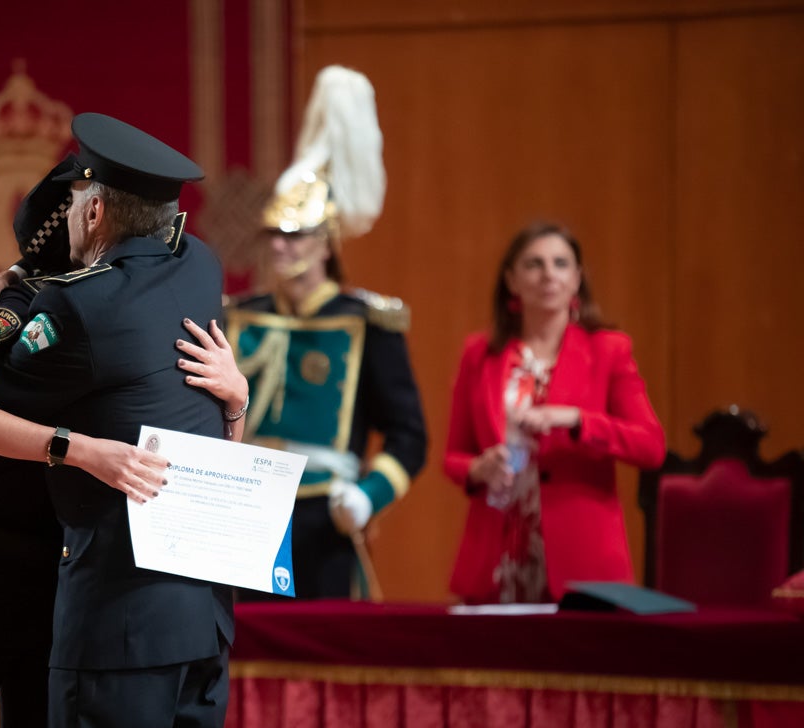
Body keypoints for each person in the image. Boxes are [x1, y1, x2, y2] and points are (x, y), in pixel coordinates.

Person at [0, 155, 247, 728]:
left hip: (65, 580)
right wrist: (72, 444)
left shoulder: (136, 290)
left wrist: (236, 397)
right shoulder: (23, 304)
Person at [226, 66, 428, 599]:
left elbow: (409, 436)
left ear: (326, 241)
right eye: (274, 235)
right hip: (241, 508)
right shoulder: (236, 314)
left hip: (323, 516)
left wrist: (368, 496)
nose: (278, 248)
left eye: (294, 236)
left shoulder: (367, 322)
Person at [443, 221, 666, 604]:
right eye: (534, 264)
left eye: (561, 263)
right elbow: (453, 456)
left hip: (581, 557)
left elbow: (651, 446)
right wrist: (477, 468)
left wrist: (578, 421)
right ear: (512, 281)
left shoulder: (609, 350)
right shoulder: (480, 353)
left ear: (577, 279)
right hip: (498, 552)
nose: (548, 274)